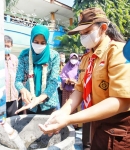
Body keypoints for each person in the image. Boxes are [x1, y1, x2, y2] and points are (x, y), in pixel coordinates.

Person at [39, 7, 130, 150]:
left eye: (87, 32)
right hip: (96, 120)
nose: (83, 37)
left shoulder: (118, 52)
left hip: (118, 129)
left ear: (103, 28)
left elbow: (121, 101)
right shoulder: (87, 58)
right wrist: (62, 113)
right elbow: (80, 89)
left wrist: (68, 119)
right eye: (81, 33)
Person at [15, 25, 60, 115]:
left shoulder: (54, 56)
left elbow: (54, 81)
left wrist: (40, 98)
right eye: (36, 42)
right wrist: (22, 90)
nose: (39, 45)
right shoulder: (25, 56)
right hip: (30, 104)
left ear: (47, 42)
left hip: (49, 104)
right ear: (31, 40)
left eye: (42, 43)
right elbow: (18, 81)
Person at [4, 35, 19, 117]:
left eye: (8, 46)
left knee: (13, 120)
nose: (6, 48)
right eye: (4, 46)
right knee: (1, 122)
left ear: (11, 46)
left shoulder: (14, 59)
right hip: (1, 98)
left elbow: (18, 75)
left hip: (13, 96)